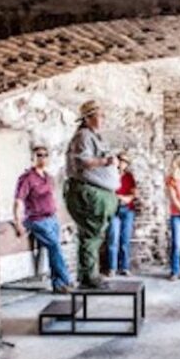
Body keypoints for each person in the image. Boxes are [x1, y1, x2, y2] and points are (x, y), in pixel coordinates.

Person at [65, 100, 120, 288]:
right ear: (87, 118)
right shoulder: (83, 136)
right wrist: (106, 161)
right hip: (89, 192)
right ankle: (89, 276)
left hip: (99, 192)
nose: (103, 118)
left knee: (94, 234)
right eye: (99, 115)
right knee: (91, 234)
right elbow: (83, 161)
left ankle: (90, 273)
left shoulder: (94, 136)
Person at [13, 145, 74, 293]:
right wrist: (18, 222)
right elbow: (18, 201)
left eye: (45, 155)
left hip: (51, 218)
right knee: (55, 246)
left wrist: (58, 216)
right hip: (37, 219)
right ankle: (66, 281)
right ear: (32, 158)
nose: (42, 158)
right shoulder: (27, 178)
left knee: (55, 250)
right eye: (39, 155)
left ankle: (58, 285)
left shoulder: (49, 178)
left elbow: (52, 199)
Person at [106, 151, 137, 276]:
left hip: (127, 210)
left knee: (125, 239)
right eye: (121, 161)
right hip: (113, 209)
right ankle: (112, 268)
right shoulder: (110, 175)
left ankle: (124, 267)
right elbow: (107, 193)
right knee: (113, 239)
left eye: (125, 162)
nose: (122, 164)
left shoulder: (129, 177)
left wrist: (124, 198)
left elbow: (134, 194)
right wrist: (119, 197)